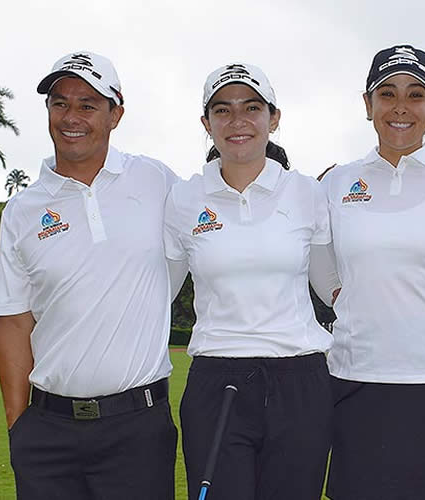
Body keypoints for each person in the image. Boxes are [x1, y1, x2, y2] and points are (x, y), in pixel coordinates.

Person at [0, 51, 180, 499]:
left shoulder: (157, 182)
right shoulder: (22, 210)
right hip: (48, 433)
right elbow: (14, 321)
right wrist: (21, 428)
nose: (71, 117)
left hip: (138, 428)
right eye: (60, 103)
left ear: (116, 114)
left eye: (88, 105)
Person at [310, 45, 425, 500]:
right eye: (387, 93)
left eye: (416, 95)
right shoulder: (336, 182)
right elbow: (319, 262)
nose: (400, 108)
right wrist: (350, 296)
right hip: (358, 380)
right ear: (367, 103)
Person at [165, 62, 334, 500]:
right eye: (222, 110)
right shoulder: (184, 198)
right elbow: (156, 291)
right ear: (207, 124)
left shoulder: (307, 193)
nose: (237, 121)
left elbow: (331, 285)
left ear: (273, 118)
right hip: (216, 378)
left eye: (251, 108)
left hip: (300, 378)